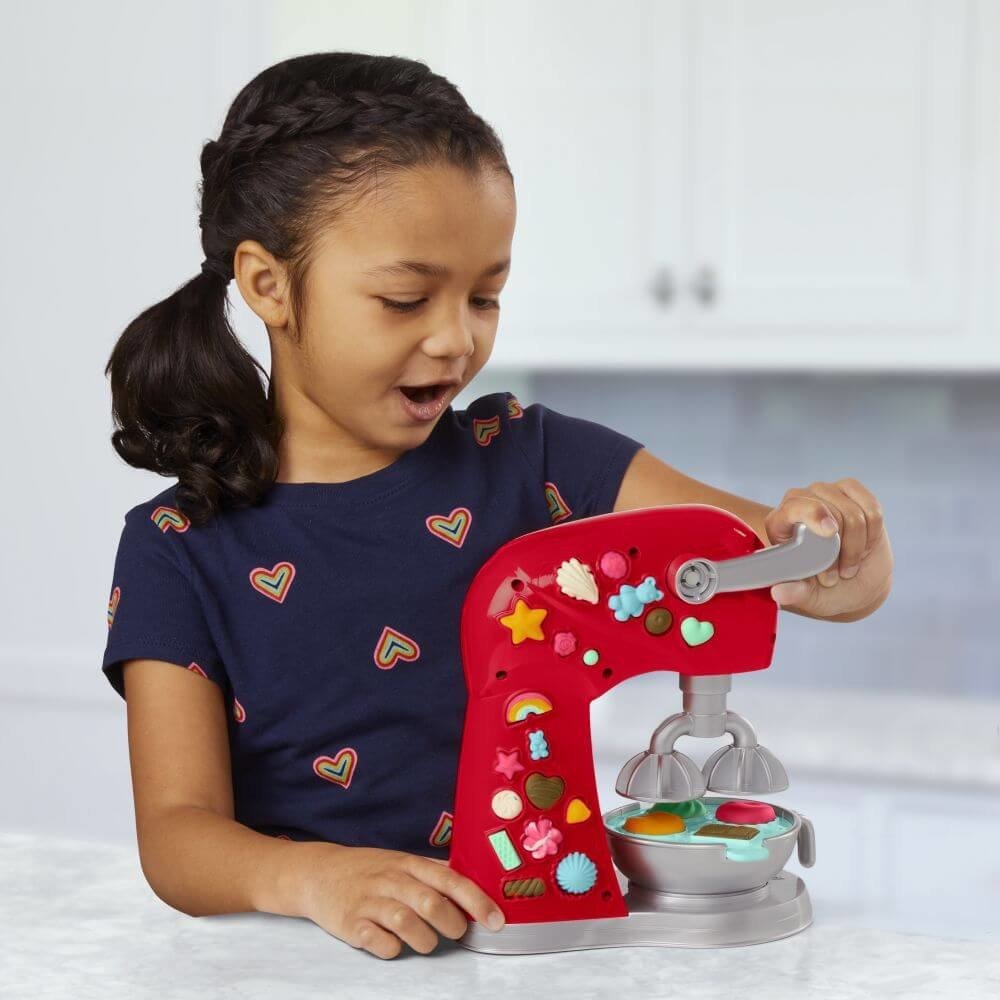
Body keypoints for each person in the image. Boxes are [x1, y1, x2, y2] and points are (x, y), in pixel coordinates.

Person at [102, 52, 893, 962]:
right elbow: (177, 837)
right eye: (406, 299)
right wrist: (317, 878)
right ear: (268, 284)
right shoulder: (178, 547)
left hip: (534, 961)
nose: (456, 339)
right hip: (309, 966)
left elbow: (772, 559)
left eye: (485, 297)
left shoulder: (537, 460)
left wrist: (843, 556)